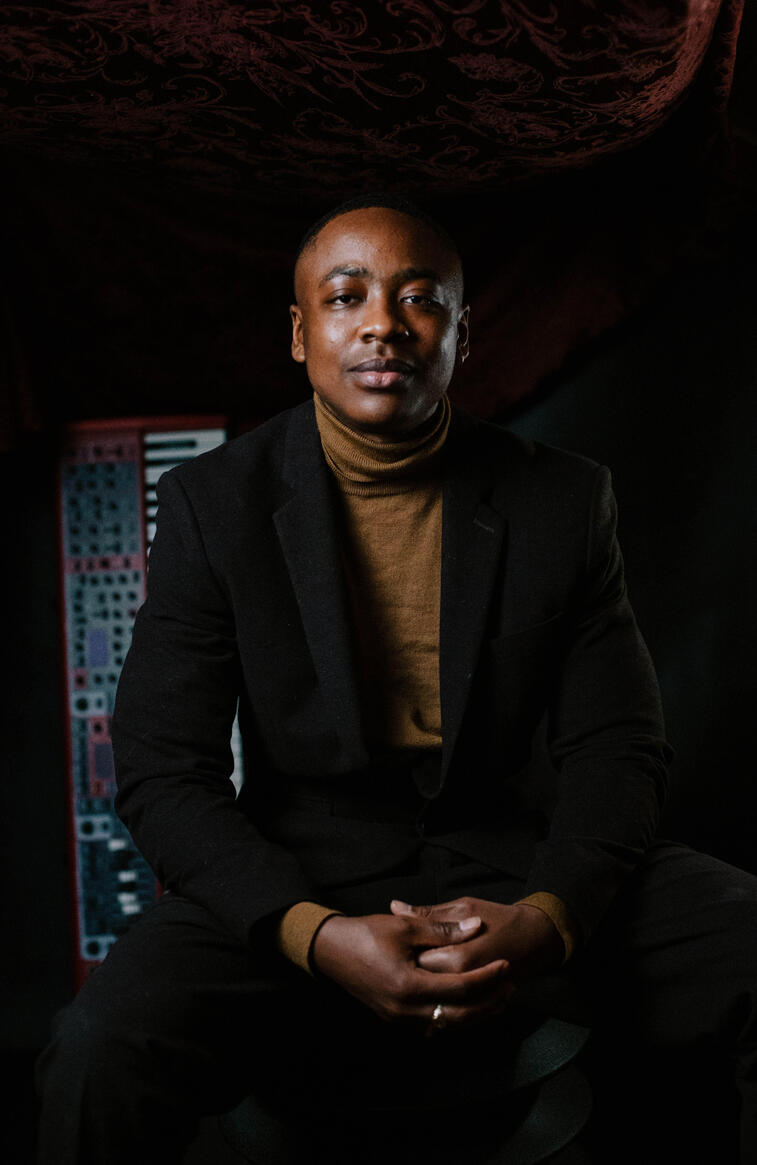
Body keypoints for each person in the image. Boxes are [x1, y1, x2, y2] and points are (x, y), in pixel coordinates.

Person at [36, 195, 757, 1163]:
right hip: (303, 867)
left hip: (513, 860)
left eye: (420, 299)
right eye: (346, 297)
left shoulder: (562, 500)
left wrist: (545, 920)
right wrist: (314, 932)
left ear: (464, 332)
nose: (383, 323)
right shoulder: (214, 506)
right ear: (301, 333)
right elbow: (165, 769)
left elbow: (617, 750)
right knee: (96, 1049)